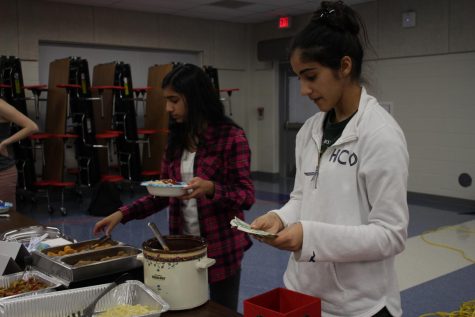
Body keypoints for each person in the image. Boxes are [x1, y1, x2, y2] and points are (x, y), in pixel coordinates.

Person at [250, 1, 409, 317]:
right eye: (298, 77)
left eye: (311, 76)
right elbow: (302, 197)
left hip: (359, 304)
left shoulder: (380, 134)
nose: (304, 90)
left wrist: (310, 236)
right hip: (304, 292)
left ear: (345, 66)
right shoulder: (310, 130)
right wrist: (280, 217)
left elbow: (391, 234)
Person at [93, 63, 254, 311]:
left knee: (223, 310)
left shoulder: (231, 137)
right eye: (167, 100)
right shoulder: (176, 141)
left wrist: (212, 188)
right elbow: (161, 193)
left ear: (196, 98)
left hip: (223, 248)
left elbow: (246, 196)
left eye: (174, 100)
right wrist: (122, 214)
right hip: (182, 247)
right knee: (183, 306)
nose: (169, 108)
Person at [0, 98, 39, 208]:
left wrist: (5, 143)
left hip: (2, 172)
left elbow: (32, 127)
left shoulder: (1, 105)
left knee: (5, 220)